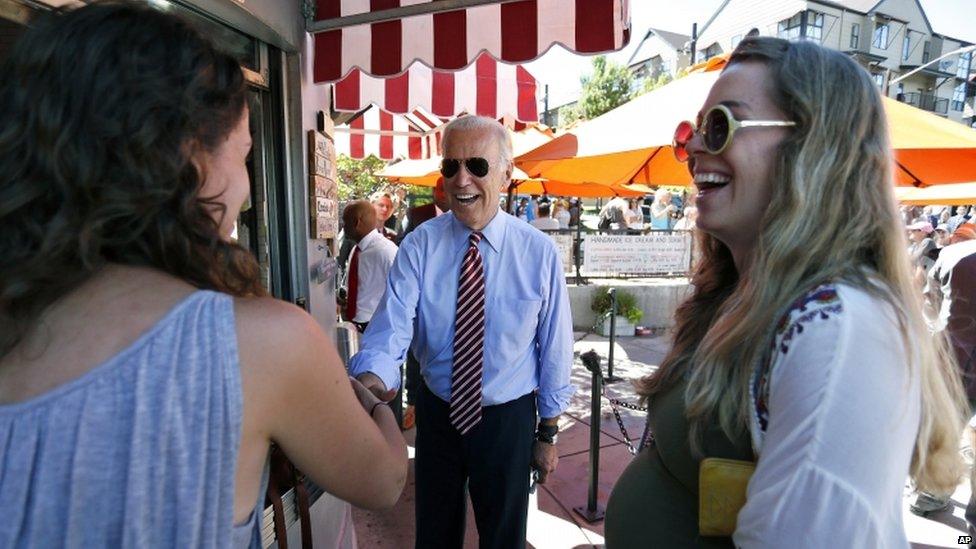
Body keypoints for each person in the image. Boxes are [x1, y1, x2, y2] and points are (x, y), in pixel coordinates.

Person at [0, 4, 407, 547]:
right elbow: (383, 480)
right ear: (191, 157)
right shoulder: (260, 342)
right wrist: (371, 400)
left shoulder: (19, 324)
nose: (242, 192)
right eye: (242, 156)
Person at [605, 36, 965, 547]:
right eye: (691, 132)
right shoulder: (740, 291)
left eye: (720, 125)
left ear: (812, 148)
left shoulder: (839, 326)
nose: (692, 150)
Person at [348, 116, 574, 548]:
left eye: (477, 166)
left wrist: (547, 434)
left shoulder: (538, 254)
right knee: (434, 535)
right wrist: (369, 383)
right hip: (439, 413)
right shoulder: (420, 245)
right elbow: (392, 327)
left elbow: (555, 351)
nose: (461, 179)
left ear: (507, 174)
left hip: (507, 418)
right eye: (450, 167)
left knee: (504, 537)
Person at [399, 177, 451, 430]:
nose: (445, 192)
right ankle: (413, 403)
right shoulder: (418, 216)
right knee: (415, 353)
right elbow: (404, 249)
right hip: (421, 298)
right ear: (435, 191)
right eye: (441, 186)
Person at [341, 201, 398, 333]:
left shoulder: (386, 251)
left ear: (357, 222)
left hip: (376, 327)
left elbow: (402, 291)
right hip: (354, 326)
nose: (343, 227)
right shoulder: (357, 249)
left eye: (345, 222)